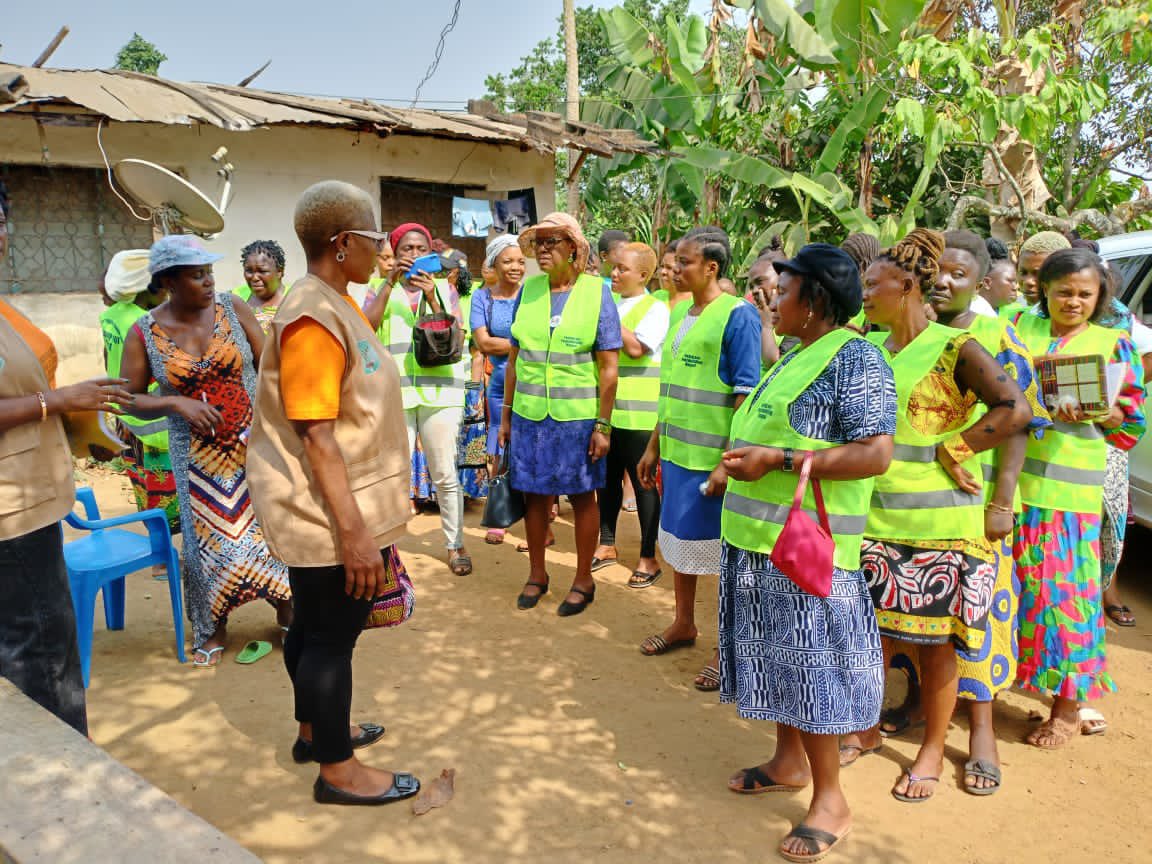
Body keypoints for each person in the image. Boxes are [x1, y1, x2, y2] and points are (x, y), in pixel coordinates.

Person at [718, 244, 896, 862]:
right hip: (756, 541)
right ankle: (788, 760)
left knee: (811, 668)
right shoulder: (793, 356)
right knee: (777, 659)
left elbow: (875, 453)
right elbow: (767, 433)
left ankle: (831, 801)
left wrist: (783, 461)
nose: (772, 298)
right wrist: (737, 465)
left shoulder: (857, 359)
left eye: (784, 290)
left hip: (804, 554)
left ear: (816, 300)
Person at [246, 179, 419, 806]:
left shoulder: (333, 300)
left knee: (313, 627)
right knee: (328, 637)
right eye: (374, 239)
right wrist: (355, 534)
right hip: (324, 512)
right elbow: (317, 435)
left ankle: (315, 732)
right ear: (342, 243)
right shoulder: (312, 317)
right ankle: (338, 771)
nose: (381, 249)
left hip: (329, 505)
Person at [854, 228, 1032, 803]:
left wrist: (958, 447)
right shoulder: (872, 349)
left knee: (938, 648)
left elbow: (1015, 408)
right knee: (872, 637)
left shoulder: (955, 348)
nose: (864, 295)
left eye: (872, 285)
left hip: (941, 531)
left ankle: (932, 750)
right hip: (874, 523)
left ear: (906, 286)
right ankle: (863, 729)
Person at [918, 229, 1050, 793]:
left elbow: (1018, 422)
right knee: (916, 616)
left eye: (959, 274)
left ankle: (981, 734)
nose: (944, 281)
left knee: (977, 622)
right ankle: (912, 713)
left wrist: (1001, 502)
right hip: (911, 506)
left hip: (976, 505)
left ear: (980, 281)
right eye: (936, 271)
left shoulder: (997, 333)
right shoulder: (907, 331)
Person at [1, 181, 135, 734]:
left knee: (43, 639)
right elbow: (34, 398)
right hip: (10, 510)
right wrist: (54, 401)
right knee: (39, 652)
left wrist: (80, 417)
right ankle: (64, 776)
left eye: (1, 216)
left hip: (34, 498)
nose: (0, 231)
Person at [120, 235, 292, 667]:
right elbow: (127, 398)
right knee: (205, 542)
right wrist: (174, 401)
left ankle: (291, 613)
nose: (210, 282)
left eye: (210, 272)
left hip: (252, 446)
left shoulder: (233, 309)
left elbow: (271, 362)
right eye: (198, 275)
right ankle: (212, 626)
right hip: (196, 458)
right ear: (168, 282)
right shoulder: (144, 331)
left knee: (270, 530)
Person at [1010, 248, 1145, 748]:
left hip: (1069, 497)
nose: (1074, 301)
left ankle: (1065, 709)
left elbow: (1131, 424)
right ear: (1044, 290)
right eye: (1063, 291)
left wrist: (1098, 411)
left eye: (1085, 294)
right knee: (1014, 595)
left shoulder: (1114, 345)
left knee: (1063, 601)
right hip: (1010, 488)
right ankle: (1000, 682)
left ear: (1099, 296)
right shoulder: (1020, 331)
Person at [636, 227, 762, 690]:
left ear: (712, 267)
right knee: (680, 546)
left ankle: (725, 648)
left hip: (713, 461)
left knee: (724, 558)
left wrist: (727, 463)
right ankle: (684, 623)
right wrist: (655, 445)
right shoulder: (681, 315)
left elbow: (745, 393)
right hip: (677, 456)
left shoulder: (738, 317)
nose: (675, 269)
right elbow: (670, 391)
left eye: (685, 262)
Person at [499, 212, 622, 616]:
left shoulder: (596, 292)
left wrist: (603, 424)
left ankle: (583, 579)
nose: (542, 250)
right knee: (535, 498)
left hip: (577, 418)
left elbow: (608, 368)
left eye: (552, 241)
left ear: (573, 247)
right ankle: (537, 574)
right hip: (530, 417)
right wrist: (505, 416)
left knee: (583, 498)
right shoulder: (529, 291)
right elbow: (515, 360)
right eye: (538, 243)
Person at [364, 223, 471, 576]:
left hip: (442, 393)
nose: (412, 254)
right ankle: (384, 551)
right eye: (405, 248)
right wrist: (389, 283)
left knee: (443, 471)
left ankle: (455, 545)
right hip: (396, 394)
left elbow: (457, 332)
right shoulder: (380, 289)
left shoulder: (444, 288)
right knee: (394, 473)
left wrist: (431, 297)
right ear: (394, 254)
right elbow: (366, 326)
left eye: (419, 247)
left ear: (430, 252)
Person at [595, 242, 668, 588]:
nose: (615, 273)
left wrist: (607, 313)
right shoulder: (610, 304)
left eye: (622, 268)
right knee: (606, 483)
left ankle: (647, 556)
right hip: (607, 413)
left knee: (643, 486)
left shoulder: (656, 308)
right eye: (613, 267)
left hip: (640, 416)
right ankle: (606, 544)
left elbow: (638, 348)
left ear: (643, 274)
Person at [99, 250, 179, 530]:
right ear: (149, 288)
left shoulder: (111, 315)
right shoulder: (148, 323)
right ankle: (170, 556)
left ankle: (159, 556)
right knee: (169, 492)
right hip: (154, 423)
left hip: (126, 418)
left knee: (144, 487)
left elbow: (108, 357)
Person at [472, 234, 524, 545]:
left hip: (531, 384)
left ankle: (540, 518)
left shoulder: (532, 294)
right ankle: (500, 513)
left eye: (520, 261)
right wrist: (523, 344)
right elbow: (484, 342)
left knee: (533, 447)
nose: (516, 267)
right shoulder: (483, 298)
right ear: (494, 264)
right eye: (508, 261)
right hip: (500, 385)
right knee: (499, 447)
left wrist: (507, 346)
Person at [745, 239, 790, 365]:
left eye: (759, 282)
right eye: (751, 286)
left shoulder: (795, 318)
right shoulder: (751, 315)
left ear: (782, 277)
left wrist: (766, 326)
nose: (754, 290)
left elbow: (776, 364)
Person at [236, 240, 288, 333]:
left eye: (262, 271)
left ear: (279, 272)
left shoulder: (294, 297)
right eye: (249, 271)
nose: (255, 277)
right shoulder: (236, 297)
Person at [1017, 231, 1070, 307]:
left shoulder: (1076, 316)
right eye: (1023, 272)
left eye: (1038, 274)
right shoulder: (1014, 313)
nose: (1028, 282)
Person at [652, 239, 692, 308]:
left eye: (669, 267)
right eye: (662, 266)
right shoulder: (657, 296)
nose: (662, 272)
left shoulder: (696, 304)